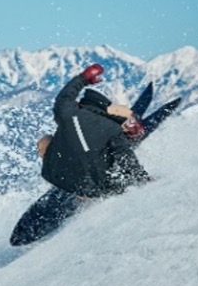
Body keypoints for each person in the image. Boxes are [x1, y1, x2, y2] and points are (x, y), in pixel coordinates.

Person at [38, 63, 150, 198]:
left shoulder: (68, 112)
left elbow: (64, 97)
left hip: (56, 175)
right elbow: (126, 158)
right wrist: (143, 179)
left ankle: (75, 187)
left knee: (45, 140)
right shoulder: (113, 130)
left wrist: (83, 78)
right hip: (97, 188)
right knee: (116, 154)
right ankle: (84, 197)